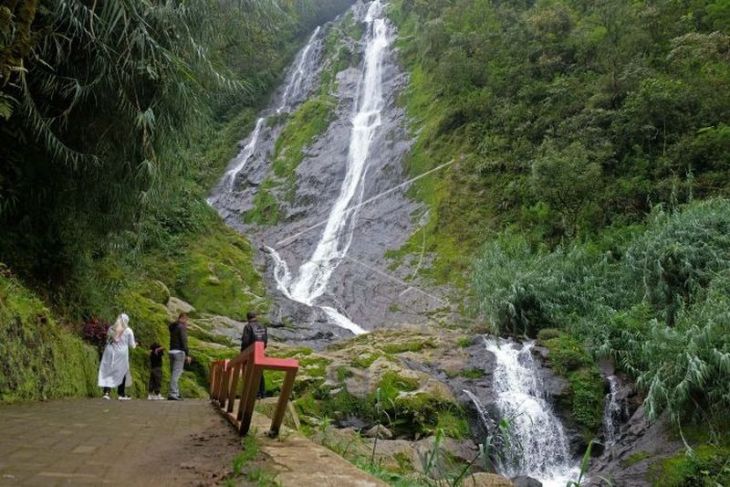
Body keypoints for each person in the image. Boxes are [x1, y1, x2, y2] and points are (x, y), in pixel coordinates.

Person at [98, 313, 137, 400]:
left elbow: (108, 339)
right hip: (122, 354)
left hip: (110, 352)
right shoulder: (128, 330)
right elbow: (132, 345)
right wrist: (135, 344)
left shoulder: (111, 328)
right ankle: (121, 394)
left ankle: (106, 393)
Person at [240, 311, 268, 399]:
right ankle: (262, 393)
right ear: (256, 316)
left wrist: (242, 353)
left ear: (248, 318)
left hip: (251, 352)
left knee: (251, 372)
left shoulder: (248, 326)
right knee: (260, 372)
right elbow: (265, 340)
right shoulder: (263, 326)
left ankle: (255, 394)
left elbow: (245, 341)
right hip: (260, 351)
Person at [168, 313, 191, 401]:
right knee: (176, 373)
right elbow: (184, 341)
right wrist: (187, 354)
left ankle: (175, 393)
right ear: (183, 319)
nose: (187, 322)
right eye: (186, 320)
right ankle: (173, 393)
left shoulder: (173, 327)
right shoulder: (181, 327)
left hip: (171, 351)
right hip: (179, 352)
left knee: (173, 373)